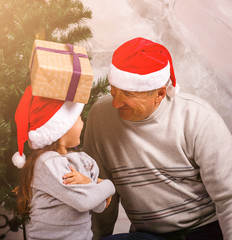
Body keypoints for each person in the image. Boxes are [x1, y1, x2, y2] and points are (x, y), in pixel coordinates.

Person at [83, 37, 232, 240]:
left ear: (160, 93)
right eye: (113, 89)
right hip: (147, 236)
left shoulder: (198, 118)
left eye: (127, 94)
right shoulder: (101, 115)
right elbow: (100, 188)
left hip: (202, 231)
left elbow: (229, 198)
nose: (116, 103)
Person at [12, 85, 115, 240]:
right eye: (79, 117)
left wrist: (89, 184)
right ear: (62, 127)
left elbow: (100, 206)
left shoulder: (81, 160)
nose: (82, 123)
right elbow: (84, 201)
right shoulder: (47, 163)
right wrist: (108, 185)